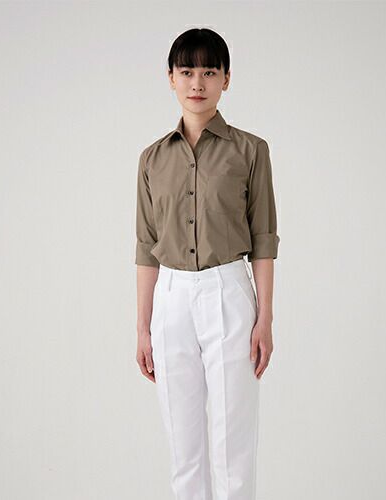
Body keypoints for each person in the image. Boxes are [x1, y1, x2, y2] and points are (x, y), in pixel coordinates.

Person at [135, 27, 280, 500]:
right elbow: (146, 245)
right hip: (170, 299)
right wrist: (142, 327)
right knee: (184, 449)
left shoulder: (250, 151)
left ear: (226, 79)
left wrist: (265, 318)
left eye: (209, 72)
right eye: (187, 71)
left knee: (233, 443)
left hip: (228, 293)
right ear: (171, 78)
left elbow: (263, 239)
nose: (197, 82)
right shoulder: (152, 159)